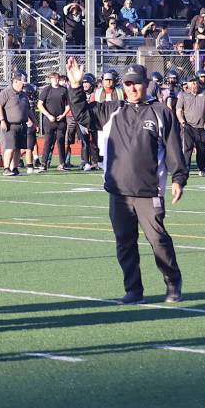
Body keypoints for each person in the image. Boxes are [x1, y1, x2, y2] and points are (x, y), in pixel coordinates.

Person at [67, 59, 187, 304]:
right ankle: (133, 290)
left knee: (159, 241)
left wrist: (179, 178)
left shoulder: (161, 111)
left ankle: (173, 282)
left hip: (148, 191)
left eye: (137, 83)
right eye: (128, 84)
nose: (133, 88)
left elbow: (174, 148)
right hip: (118, 192)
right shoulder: (112, 110)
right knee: (125, 244)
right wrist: (76, 86)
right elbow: (82, 114)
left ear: (146, 84)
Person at [0, 72, 37, 177]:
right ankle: (6, 168)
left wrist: (34, 121)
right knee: (10, 147)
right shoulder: (6, 92)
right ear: (15, 81)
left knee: (19, 148)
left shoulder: (23, 95)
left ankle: (14, 168)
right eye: (21, 83)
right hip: (10, 124)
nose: (23, 85)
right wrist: (2, 120)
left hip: (22, 125)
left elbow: (28, 109)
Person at [175, 75, 205, 177]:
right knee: (187, 149)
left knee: (201, 149)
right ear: (187, 84)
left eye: (195, 82)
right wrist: (182, 121)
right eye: (191, 82)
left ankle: (202, 169)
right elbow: (178, 110)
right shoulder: (183, 95)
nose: (194, 84)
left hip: (201, 127)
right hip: (188, 127)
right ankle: (185, 169)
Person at [36, 72, 70, 171]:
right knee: (48, 141)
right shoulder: (47, 90)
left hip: (61, 121)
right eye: (53, 78)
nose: (55, 80)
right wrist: (48, 115)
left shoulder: (64, 90)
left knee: (61, 141)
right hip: (49, 121)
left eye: (56, 78)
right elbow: (40, 104)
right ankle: (44, 163)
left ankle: (62, 163)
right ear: (50, 79)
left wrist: (63, 115)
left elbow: (68, 105)